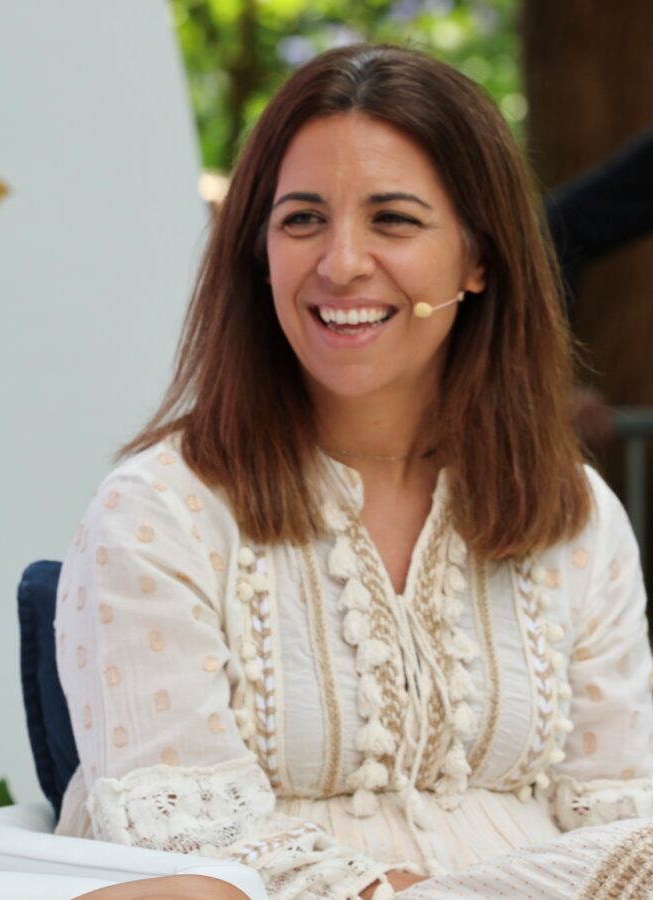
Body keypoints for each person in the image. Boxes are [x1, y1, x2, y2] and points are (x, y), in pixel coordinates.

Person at [56, 46, 653, 900]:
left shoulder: (575, 515)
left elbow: (623, 820)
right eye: (301, 219)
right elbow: (181, 838)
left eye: (394, 220)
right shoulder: (156, 515)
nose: (340, 263)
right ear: (259, 253)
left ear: (480, 260)